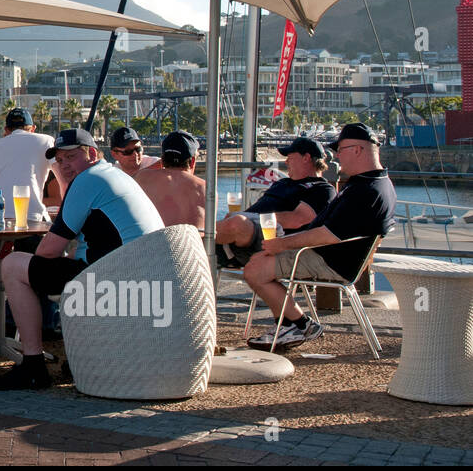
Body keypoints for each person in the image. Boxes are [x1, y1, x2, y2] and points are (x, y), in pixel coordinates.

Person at [0, 128, 164, 390]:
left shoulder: (87, 180)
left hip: (118, 278)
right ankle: (80, 355)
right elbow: (81, 247)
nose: (64, 165)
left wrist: (33, 275)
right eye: (59, 161)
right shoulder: (112, 174)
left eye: (70, 157)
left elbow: (48, 252)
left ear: (92, 153)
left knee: (13, 266)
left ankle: (33, 365)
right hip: (142, 273)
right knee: (55, 266)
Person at [242, 124, 396, 351]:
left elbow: (328, 235)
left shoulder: (366, 190)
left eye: (341, 149)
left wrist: (281, 244)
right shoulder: (376, 183)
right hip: (336, 257)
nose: (336, 156)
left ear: (357, 150)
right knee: (259, 261)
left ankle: (296, 325)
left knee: (255, 268)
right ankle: (294, 324)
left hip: (331, 261)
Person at [216, 137, 336, 268]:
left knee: (236, 223)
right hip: (246, 237)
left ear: (306, 158)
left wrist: (250, 217)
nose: (286, 161)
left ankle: (203, 243)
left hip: (274, 241)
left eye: (290, 157)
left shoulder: (322, 189)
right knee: (199, 225)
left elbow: (298, 220)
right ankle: (202, 244)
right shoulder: (282, 182)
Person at [0, 108, 54, 229]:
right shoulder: (47, 141)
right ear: (33, 128)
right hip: (31, 220)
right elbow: (62, 175)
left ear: (6, 130)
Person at [133, 130, 207, 230]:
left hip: (149, 243)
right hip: (186, 244)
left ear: (162, 160)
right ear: (192, 161)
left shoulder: (141, 178)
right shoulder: (203, 188)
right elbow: (202, 233)